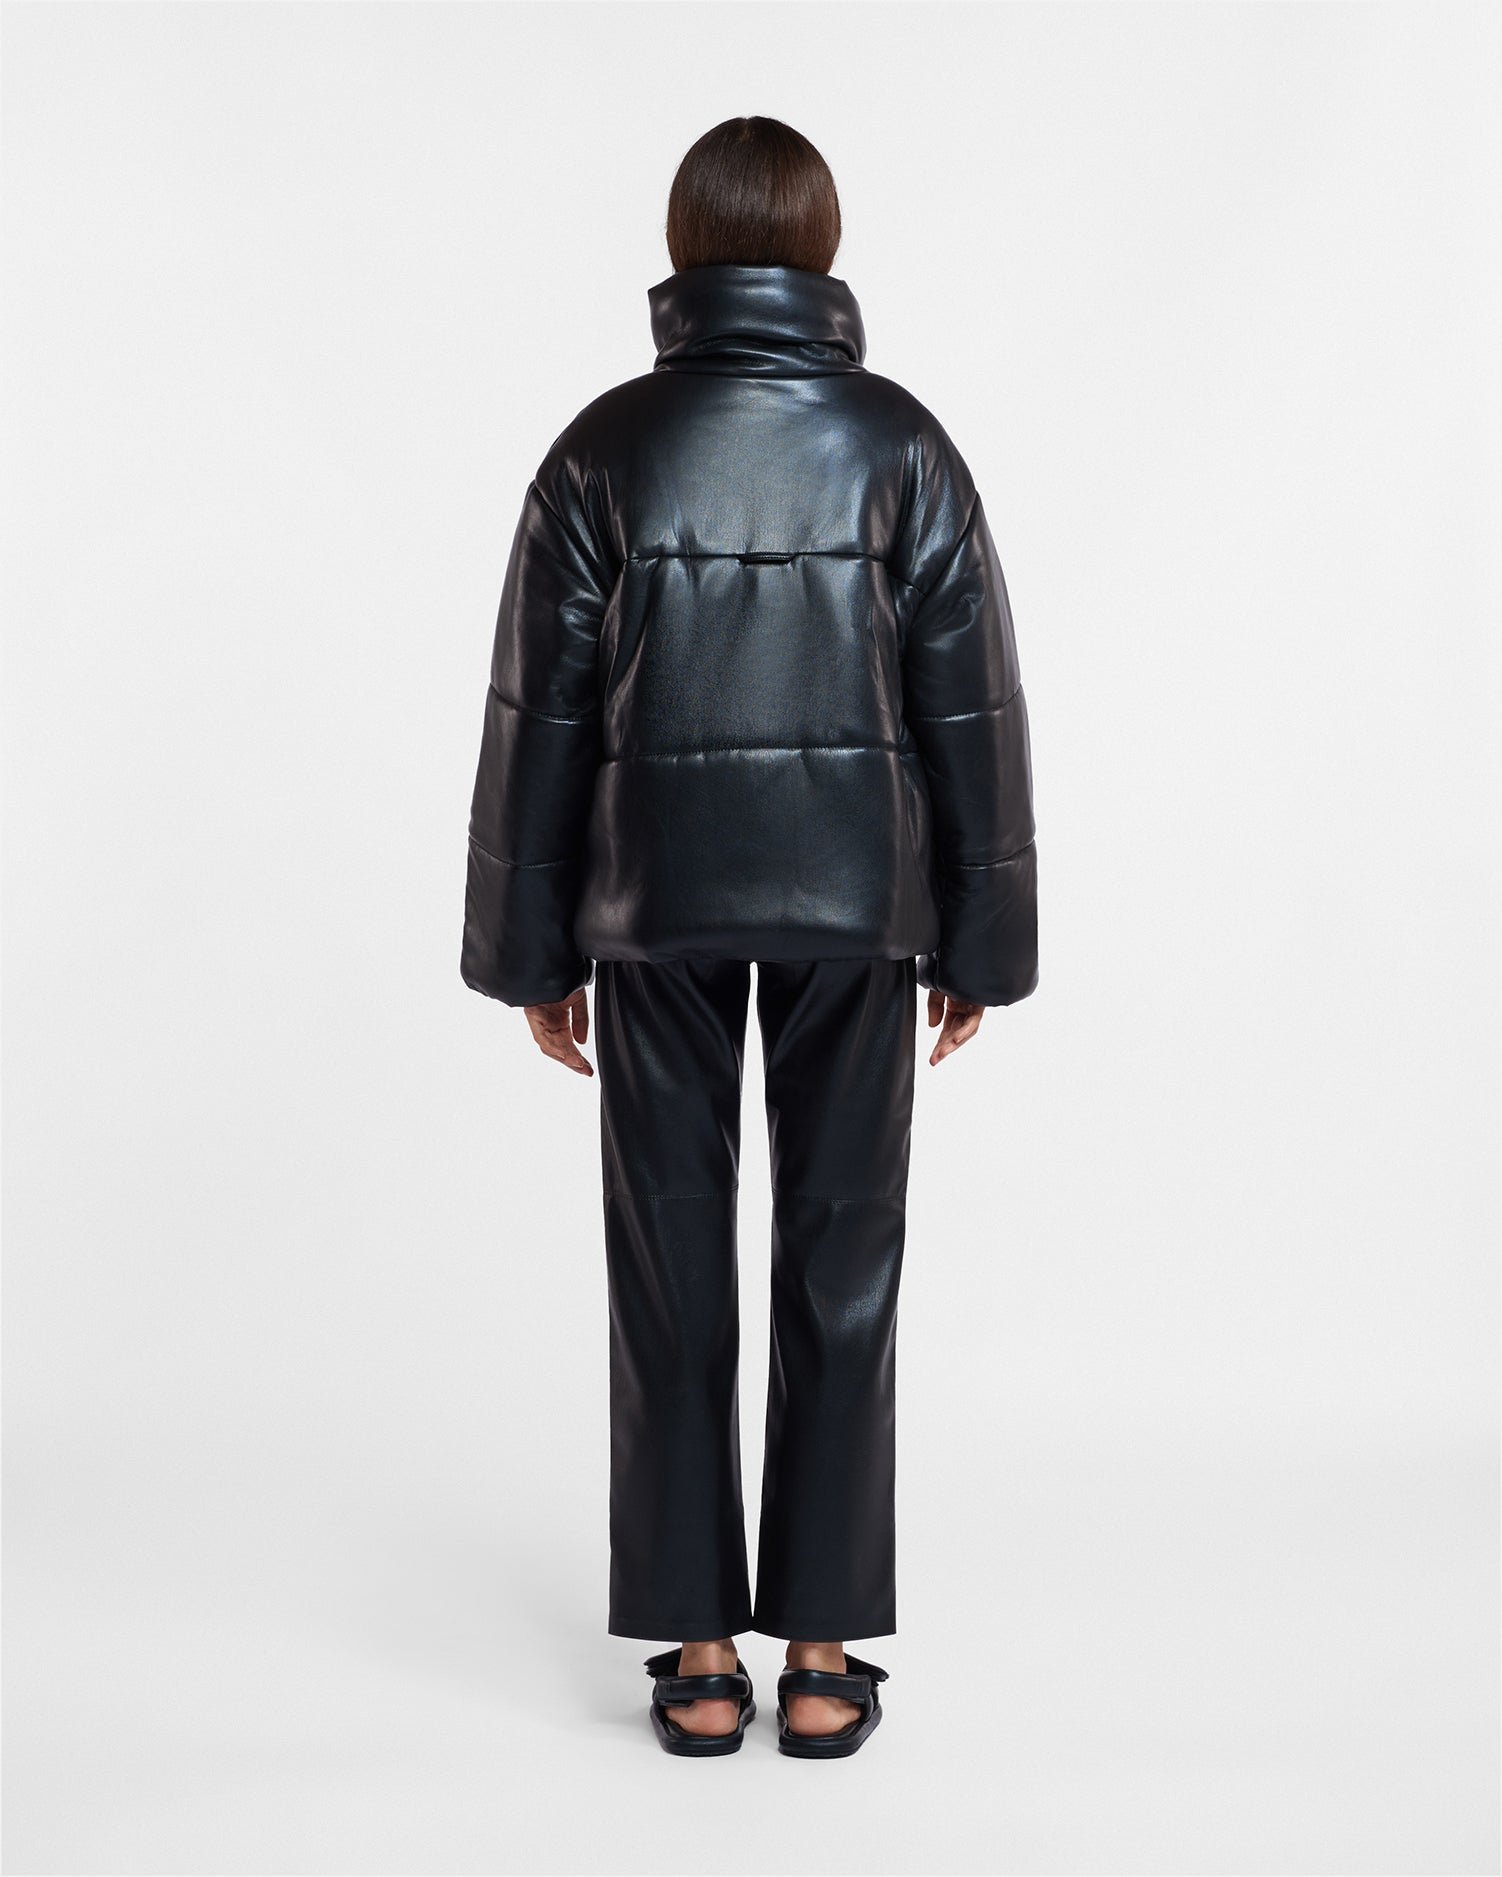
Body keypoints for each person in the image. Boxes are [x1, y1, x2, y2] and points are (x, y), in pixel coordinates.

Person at [460, 115, 1037, 1758]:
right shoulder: (900, 446)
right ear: (822, 247)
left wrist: (530, 948)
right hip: (860, 913)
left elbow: (538, 716)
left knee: (668, 1270)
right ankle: (824, 1653)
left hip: (652, 910)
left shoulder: (603, 450)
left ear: (683, 248)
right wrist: (981, 939)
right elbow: (970, 709)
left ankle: (701, 1655)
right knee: (842, 1268)